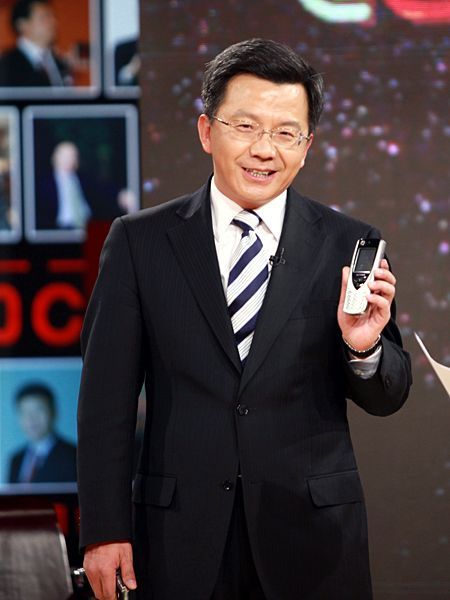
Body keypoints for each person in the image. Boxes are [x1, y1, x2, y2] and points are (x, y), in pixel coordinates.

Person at [77, 39, 412, 600]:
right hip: (179, 537)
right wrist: (104, 530)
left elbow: (388, 394)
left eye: (286, 133)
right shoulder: (140, 242)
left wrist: (363, 348)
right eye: (246, 126)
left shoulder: (349, 244)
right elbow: (104, 400)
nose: (264, 149)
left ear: (307, 147)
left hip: (313, 541)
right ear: (207, 131)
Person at [9, 383, 77, 484]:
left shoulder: (73, 456)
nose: (31, 419)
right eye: (24, 412)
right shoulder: (16, 459)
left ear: (53, 412)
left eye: (38, 410)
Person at [0, 0, 72, 88]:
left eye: (53, 16)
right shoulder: (7, 64)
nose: (54, 22)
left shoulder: (59, 62)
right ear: (22, 24)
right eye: (44, 17)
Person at [35, 141, 92, 231]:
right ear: (55, 157)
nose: (70, 159)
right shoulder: (44, 183)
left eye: (73, 156)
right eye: (66, 156)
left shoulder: (85, 180)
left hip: (87, 228)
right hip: (58, 230)